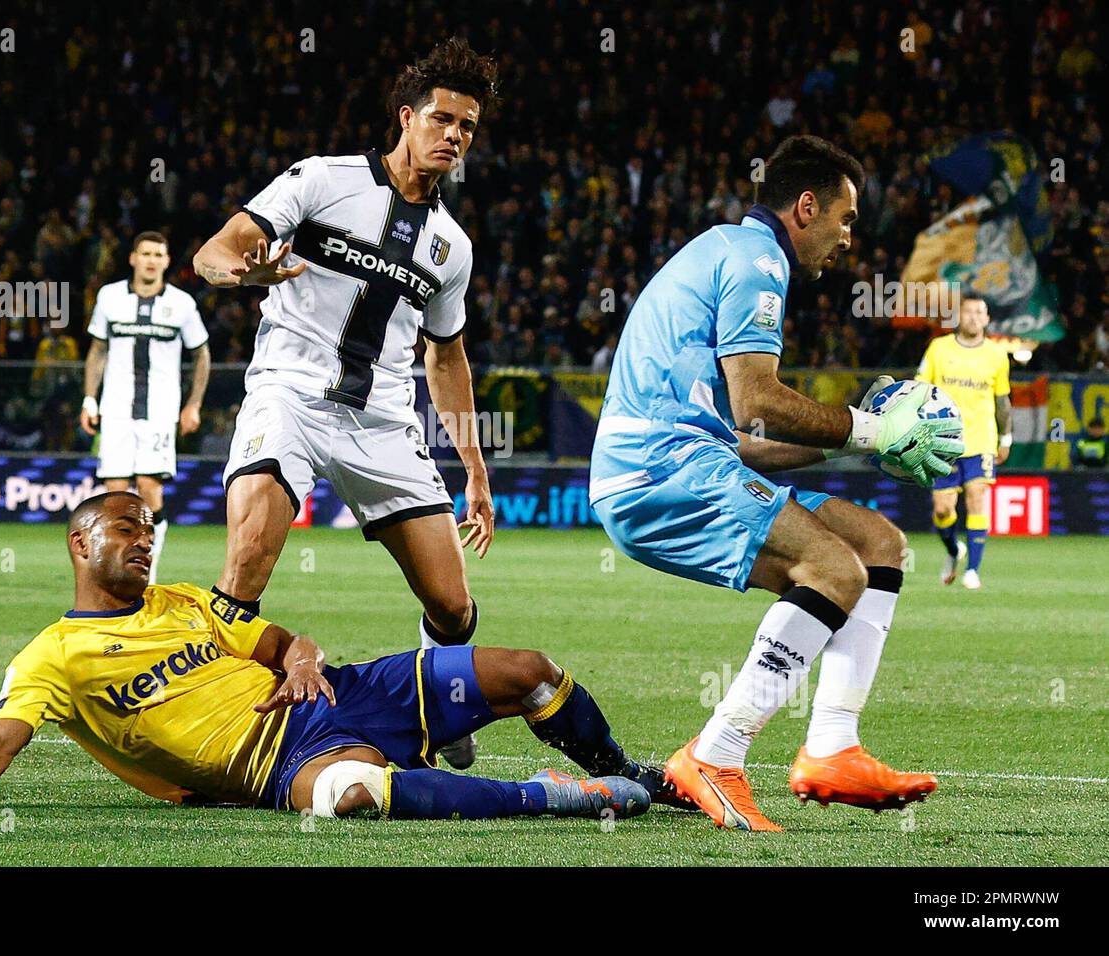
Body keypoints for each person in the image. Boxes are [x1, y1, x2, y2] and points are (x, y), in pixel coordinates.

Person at [0, 491, 670, 823]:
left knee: (527, 669)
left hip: (346, 694)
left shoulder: (183, 601)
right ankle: (561, 796)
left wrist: (304, 656)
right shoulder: (53, 656)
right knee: (350, 797)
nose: (144, 540)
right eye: (126, 528)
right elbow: (1, 740)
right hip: (271, 765)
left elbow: (282, 640)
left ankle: (627, 768)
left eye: (149, 528)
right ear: (78, 543)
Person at [590, 135, 962, 831]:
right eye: (846, 221)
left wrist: (858, 446)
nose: (849, 239)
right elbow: (757, 400)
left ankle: (832, 748)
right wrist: (868, 428)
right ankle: (715, 753)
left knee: (877, 543)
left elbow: (742, 437)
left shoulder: (724, 251)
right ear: (806, 205)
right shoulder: (759, 259)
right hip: (661, 469)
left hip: (684, 460)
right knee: (830, 567)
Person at [192, 38, 498, 769]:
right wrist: (243, 275)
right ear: (406, 117)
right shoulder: (321, 181)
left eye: (468, 128)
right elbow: (212, 253)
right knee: (248, 560)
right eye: (442, 119)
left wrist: (476, 471)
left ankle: (441, 705)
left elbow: (446, 355)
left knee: (452, 606)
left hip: (383, 420)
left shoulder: (451, 247)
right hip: (290, 396)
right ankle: (209, 722)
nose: (454, 136)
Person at [81, 231, 212, 583]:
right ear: (133, 258)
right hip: (117, 408)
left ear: (167, 262)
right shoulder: (110, 298)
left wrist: (193, 405)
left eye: (159, 254)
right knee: (116, 494)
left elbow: (201, 354)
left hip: (159, 410)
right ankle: (114, 570)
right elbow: (97, 351)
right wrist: (89, 398)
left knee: (149, 486)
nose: (152, 260)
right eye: (146, 253)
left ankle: (147, 572)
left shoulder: (182, 304)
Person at [916, 297, 1012, 590]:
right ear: (958, 317)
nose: (973, 317)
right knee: (943, 510)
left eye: (979, 312)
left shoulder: (997, 354)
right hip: (942, 440)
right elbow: (920, 388)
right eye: (967, 311)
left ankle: (973, 570)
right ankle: (954, 550)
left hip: (981, 439)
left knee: (977, 498)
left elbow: (1002, 400)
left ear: (987, 318)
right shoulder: (939, 348)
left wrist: (1005, 436)